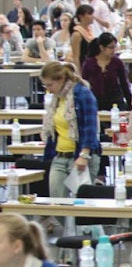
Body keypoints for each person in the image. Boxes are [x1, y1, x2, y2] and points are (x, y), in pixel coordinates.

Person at [40, 62, 101, 197]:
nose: (48, 89)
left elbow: (90, 128)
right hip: (60, 156)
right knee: (57, 204)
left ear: (61, 79)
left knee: (82, 205)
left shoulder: (83, 94)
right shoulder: (57, 98)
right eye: (45, 85)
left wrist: (84, 155)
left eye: (50, 85)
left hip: (81, 156)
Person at [80, 32, 131, 111]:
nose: (114, 50)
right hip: (95, 102)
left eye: (115, 47)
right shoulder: (89, 64)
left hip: (115, 102)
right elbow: (84, 84)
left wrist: (129, 103)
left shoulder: (117, 62)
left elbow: (124, 84)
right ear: (102, 48)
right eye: (111, 47)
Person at [68, 4, 95, 72]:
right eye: (89, 14)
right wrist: (79, 75)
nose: (92, 17)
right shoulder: (77, 34)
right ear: (81, 16)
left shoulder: (90, 30)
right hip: (84, 67)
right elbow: (76, 58)